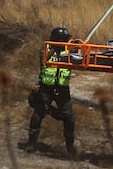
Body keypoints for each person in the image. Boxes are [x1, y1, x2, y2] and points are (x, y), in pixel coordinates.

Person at [26, 27, 76, 156]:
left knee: (69, 117)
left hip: (63, 89)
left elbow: (80, 55)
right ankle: (31, 142)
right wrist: (55, 49)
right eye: (61, 40)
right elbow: (44, 59)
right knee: (38, 114)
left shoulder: (68, 50)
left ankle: (70, 146)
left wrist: (74, 46)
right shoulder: (46, 49)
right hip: (46, 88)